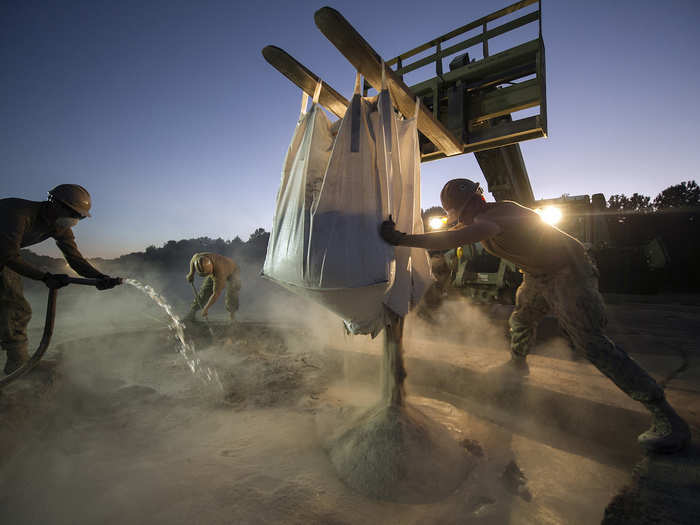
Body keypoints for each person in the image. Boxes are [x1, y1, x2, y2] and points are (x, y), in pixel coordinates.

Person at [380, 178, 690, 454]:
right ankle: (517, 364)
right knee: (521, 320)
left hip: (569, 274)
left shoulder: (495, 218)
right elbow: (452, 231)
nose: (466, 217)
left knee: (593, 345)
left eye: (466, 211)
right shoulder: (479, 217)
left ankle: (665, 416)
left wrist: (401, 238)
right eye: (463, 215)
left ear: (478, 201)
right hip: (537, 276)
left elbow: (451, 239)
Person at [0, 184, 121, 374]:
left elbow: (75, 260)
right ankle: (18, 362)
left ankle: (18, 362)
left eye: (80, 217)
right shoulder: (18, 214)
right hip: (4, 254)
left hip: (4, 256)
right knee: (12, 303)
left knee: (16, 307)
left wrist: (100, 277)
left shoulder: (59, 226)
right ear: (54, 204)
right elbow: (8, 256)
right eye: (74, 214)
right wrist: (45, 277)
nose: (75, 220)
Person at [185, 252, 240, 323]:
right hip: (215, 270)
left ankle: (233, 317)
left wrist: (206, 308)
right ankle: (192, 314)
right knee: (205, 290)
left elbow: (216, 294)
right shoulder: (199, 258)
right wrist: (191, 273)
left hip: (233, 271)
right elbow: (193, 259)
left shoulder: (220, 273)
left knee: (232, 292)